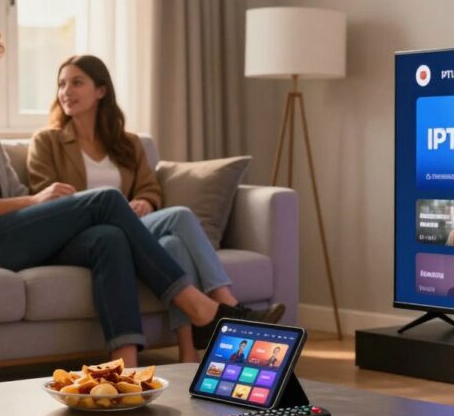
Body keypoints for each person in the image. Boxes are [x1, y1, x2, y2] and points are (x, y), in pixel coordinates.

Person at [0, 25, 278, 368]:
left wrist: (38, 206)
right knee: (104, 200)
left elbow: (15, 194)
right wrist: (34, 203)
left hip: (6, 235)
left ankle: (125, 369)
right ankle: (202, 308)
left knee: (110, 236)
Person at [27, 55, 281, 363]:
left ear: (101, 91)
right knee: (181, 215)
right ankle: (230, 309)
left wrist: (146, 201)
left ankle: (189, 351)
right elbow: (45, 198)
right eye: (61, 84)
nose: (66, 91)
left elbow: (149, 186)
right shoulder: (47, 141)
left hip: (128, 228)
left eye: (77, 82)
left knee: (173, 243)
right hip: (80, 234)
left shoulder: (128, 143)